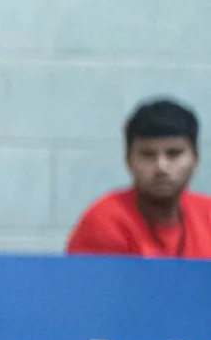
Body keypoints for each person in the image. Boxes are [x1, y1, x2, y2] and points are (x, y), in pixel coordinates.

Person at [67, 98, 211, 258]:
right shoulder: (105, 220)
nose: (161, 167)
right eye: (147, 155)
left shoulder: (207, 213)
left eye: (174, 153)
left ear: (195, 160)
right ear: (129, 161)